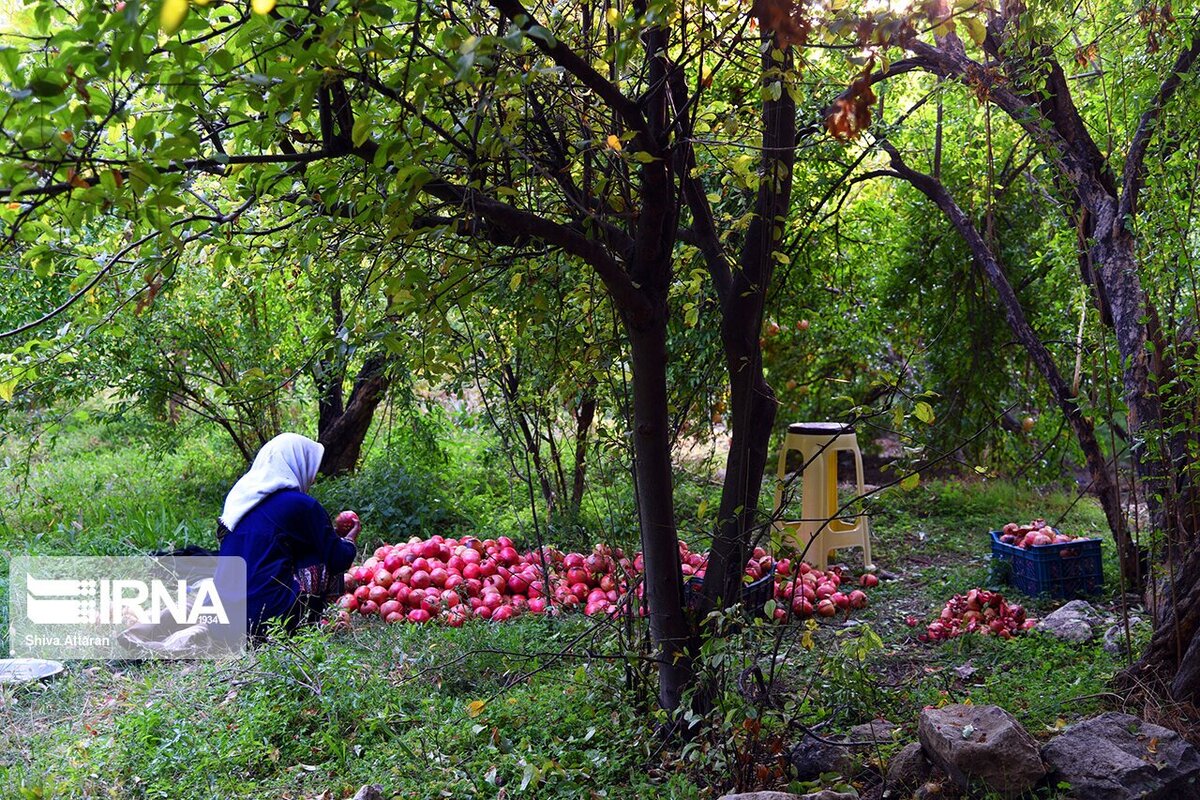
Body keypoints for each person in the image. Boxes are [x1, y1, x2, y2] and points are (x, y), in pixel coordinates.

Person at [215, 433, 359, 637]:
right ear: (299, 464)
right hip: (270, 622)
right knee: (321, 555)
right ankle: (306, 622)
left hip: (227, 621)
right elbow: (339, 559)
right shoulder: (302, 505)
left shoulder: (240, 502)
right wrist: (350, 539)